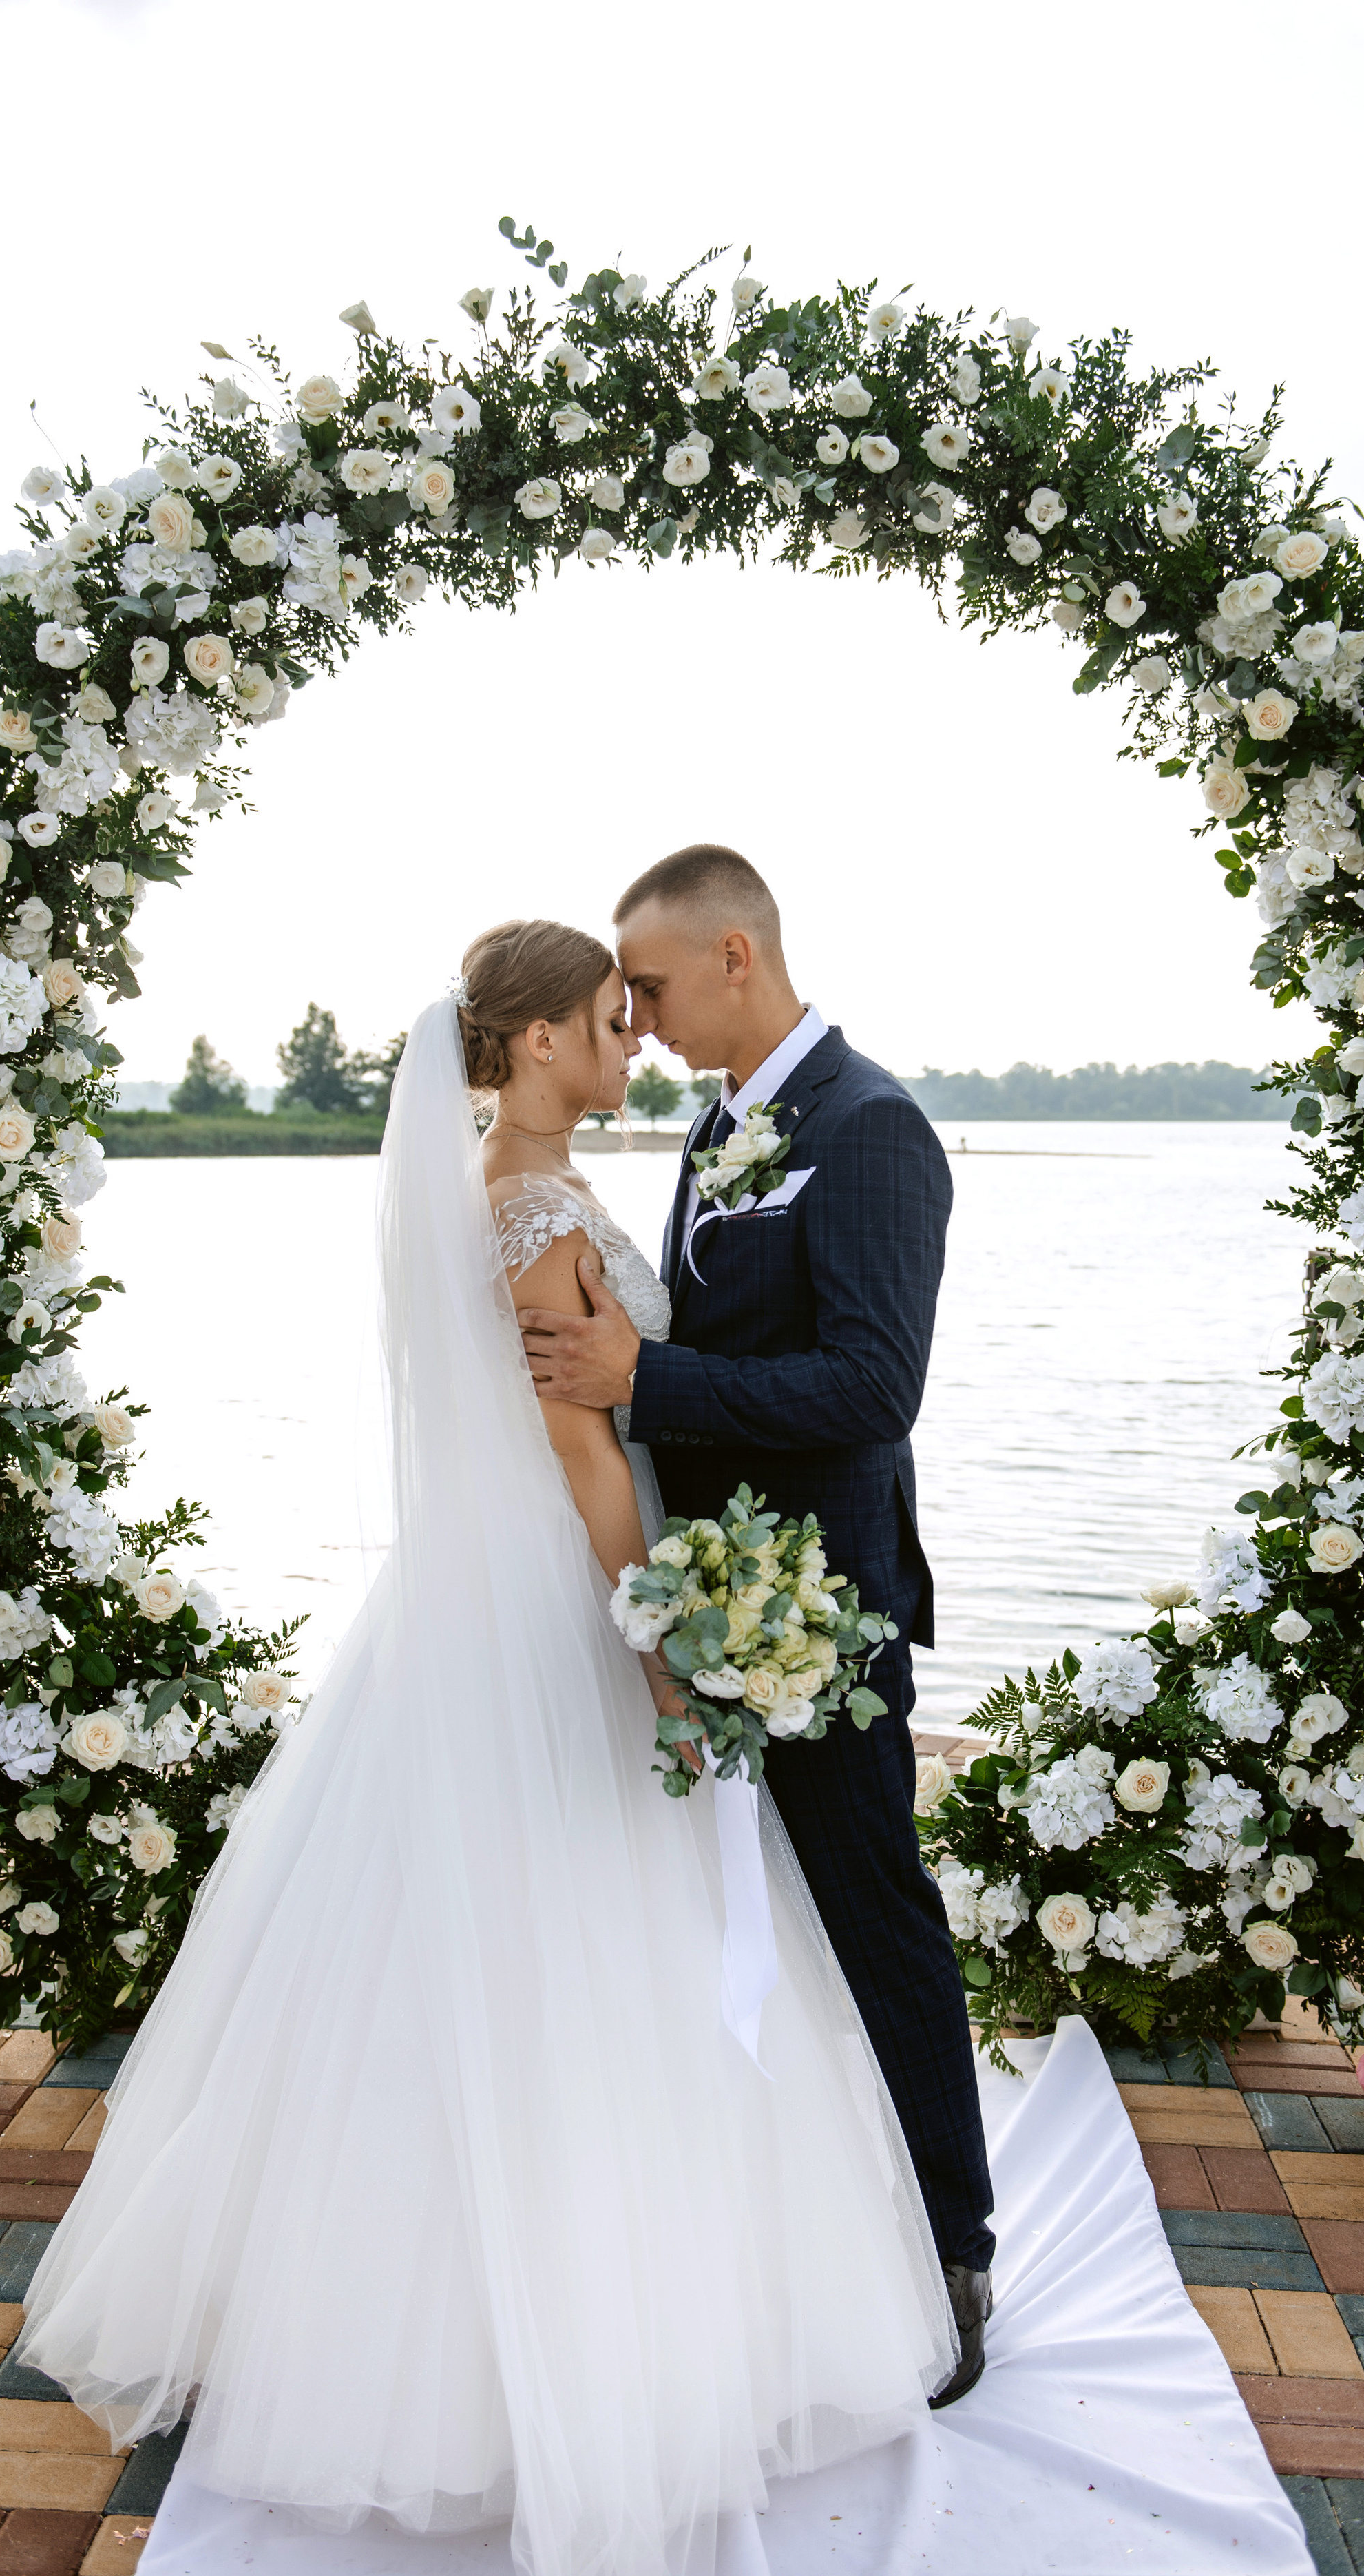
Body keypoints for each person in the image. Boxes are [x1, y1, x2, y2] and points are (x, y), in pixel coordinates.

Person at [16, 918, 953, 2576]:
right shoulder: (533, 1209)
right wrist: (655, 1633)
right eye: (608, 1019)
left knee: (477, 1941)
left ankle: (408, 2306)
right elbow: (585, 1446)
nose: (630, 1042)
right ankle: (570, 2345)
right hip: (557, 1597)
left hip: (475, 1593)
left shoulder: (496, 1185)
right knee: (587, 1940)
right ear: (527, 1046)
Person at [516, 847, 996, 2399]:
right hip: (712, 1595)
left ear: (735, 954)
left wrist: (641, 1386)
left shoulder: (866, 1132)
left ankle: (952, 2251)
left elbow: (872, 1389)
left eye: (646, 985)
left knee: (872, 1910)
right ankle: (804, 2227)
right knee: (758, 1925)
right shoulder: (723, 1124)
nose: (634, 1020)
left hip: (823, 1610)